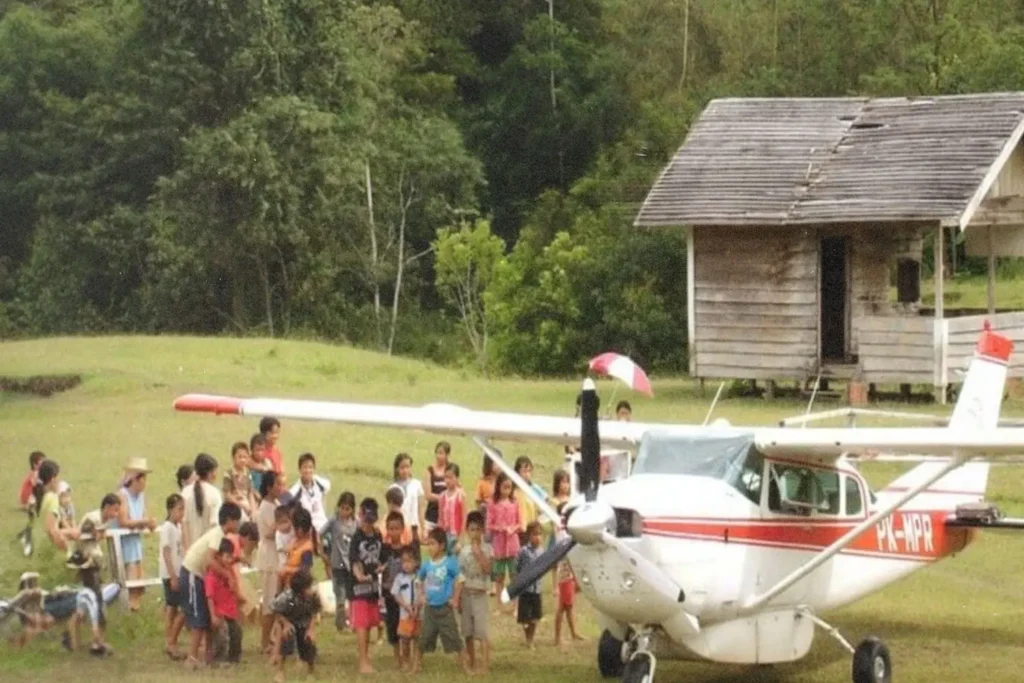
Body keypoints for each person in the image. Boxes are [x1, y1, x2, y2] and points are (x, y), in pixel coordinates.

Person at [179, 502, 243, 670]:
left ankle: (208, 655)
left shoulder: (219, 536)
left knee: (205, 618)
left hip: (198, 576)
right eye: (236, 521)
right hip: (192, 573)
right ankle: (191, 657)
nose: (237, 525)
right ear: (229, 520)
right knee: (198, 619)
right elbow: (209, 560)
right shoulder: (217, 534)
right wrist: (226, 574)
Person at [416, 528, 470, 673]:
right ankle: (416, 665)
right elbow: (418, 580)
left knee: (454, 637)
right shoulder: (426, 564)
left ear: (442, 546)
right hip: (430, 609)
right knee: (424, 637)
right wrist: (421, 595)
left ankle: (465, 667)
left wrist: (455, 598)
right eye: (428, 544)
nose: (429, 547)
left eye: (432, 544)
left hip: (445, 608)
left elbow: (461, 580)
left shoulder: (449, 563)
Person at [116, 457, 157, 611]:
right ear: (137, 479)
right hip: (125, 547)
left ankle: (134, 614)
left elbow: (143, 517)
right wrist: (144, 522)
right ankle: (128, 614)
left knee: (139, 585)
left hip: (136, 545)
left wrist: (148, 523)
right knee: (130, 585)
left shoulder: (141, 497)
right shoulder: (122, 495)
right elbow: (123, 521)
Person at [349, 497, 384, 674]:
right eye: (365, 515)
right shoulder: (356, 537)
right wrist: (360, 576)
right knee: (362, 624)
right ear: (360, 515)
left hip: (373, 587)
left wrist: (381, 568)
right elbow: (354, 561)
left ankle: (366, 658)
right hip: (358, 588)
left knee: (370, 623)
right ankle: (362, 662)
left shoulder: (378, 535)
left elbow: (381, 557)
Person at [269, 570, 321, 683]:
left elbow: (314, 612)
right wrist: (285, 624)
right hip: (289, 622)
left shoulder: (313, 597)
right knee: (286, 640)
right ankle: (280, 671)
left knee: (308, 644)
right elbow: (276, 610)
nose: (311, 589)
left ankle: (310, 672)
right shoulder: (286, 597)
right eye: (308, 587)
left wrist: (311, 629)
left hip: (304, 623)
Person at [458, 511, 493, 673]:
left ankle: (484, 665)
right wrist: (457, 597)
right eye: (472, 529)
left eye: (478, 529)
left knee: (482, 631)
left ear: (483, 530)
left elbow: (488, 569)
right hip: (466, 594)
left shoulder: (488, 549)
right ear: (467, 531)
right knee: (468, 632)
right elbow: (460, 575)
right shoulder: (463, 551)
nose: (475, 533)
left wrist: (479, 555)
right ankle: (472, 662)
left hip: (480, 595)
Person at [257, 472, 286, 652]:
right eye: (278, 485)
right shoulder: (266, 507)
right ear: (269, 487)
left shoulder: (276, 504)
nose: (281, 488)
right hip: (269, 558)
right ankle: (264, 641)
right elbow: (269, 533)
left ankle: (273, 638)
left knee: (276, 599)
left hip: (277, 558)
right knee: (269, 602)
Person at [320, 491, 357, 632]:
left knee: (352, 595)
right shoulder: (334, 521)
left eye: (347, 509)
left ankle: (353, 621)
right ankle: (340, 624)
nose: (344, 511)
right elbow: (320, 533)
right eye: (342, 508)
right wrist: (322, 552)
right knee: (340, 595)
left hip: (351, 563)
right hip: (337, 563)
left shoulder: (355, 523)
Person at [205, 538, 243, 664]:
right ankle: (218, 660)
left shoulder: (228, 571)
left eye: (231, 557)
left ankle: (234, 659)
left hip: (230, 611)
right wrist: (212, 616)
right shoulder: (211, 576)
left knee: (237, 631)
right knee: (222, 634)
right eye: (227, 557)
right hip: (219, 612)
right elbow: (209, 597)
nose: (229, 560)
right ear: (218, 556)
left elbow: (233, 591)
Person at [552, 503, 583, 649]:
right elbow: (567, 555)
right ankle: (557, 638)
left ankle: (573, 632)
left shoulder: (564, 531)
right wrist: (575, 575)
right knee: (563, 606)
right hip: (566, 570)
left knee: (569, 605)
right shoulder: (563, 533)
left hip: (567, 570)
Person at [160, 493, 187, 660]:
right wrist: (173, 576)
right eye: (179, 509)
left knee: (172, 607)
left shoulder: (177, 527)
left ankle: (170, 641)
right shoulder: (167, 528)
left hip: (177, 571)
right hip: (171, 573)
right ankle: (171, 641)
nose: (181, 513)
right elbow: (167, 552)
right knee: (174, 607)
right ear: (171, 509)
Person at [486, 472, 520, 607]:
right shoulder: (492, 504)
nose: (507, 491)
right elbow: (489, 524)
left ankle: (515, 604)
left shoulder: (514, 503)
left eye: (509, 487)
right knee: (499, 576)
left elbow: (519, 523)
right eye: (504, 487)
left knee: (514, 575)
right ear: (498, 486)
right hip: (499, 545)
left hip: (512, 545)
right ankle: (499, 603)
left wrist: (513, 528)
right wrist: (498, 528)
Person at [34, 460, 78, 558]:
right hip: (48, 550)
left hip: (37, 545)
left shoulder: (40, 496)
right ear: (53, 479)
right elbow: (52, 530)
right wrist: (68, 552)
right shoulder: (53, 498)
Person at [381, 511, 406, 666]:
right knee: (392, 625)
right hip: (389, 594)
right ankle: (397, 656)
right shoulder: (384, 549)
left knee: (405, 625)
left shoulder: (407, 549)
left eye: (397, 528)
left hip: (404, 595)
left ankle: (406, 655)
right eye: (391, 528)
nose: (394, 532)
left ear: (403, 529)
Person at [182, 453, 222, 552]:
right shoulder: (214, 494)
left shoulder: (185, 493)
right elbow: (214, 527)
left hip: (189, 552)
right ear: (210, 473)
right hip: (206, 550)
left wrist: (187, 550)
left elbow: (183, 524)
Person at [390, 548, 420, 673]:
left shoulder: (420, 577)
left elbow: (424, 593)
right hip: (405, 614)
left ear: (416, 562)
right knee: (405, 639)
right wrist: (405, 606)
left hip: (418, 614)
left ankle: (417, 662)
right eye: (404, 561)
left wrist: (418, 606)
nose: (406, 564)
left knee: (417, 639)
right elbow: (396, 594)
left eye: (410, 561)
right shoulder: (399, 578)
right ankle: (406, 661)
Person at [516, 522, 545, 648]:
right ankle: (527, 636)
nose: (537, 537)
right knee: (525, 618)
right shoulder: (523, 551)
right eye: (534, 534)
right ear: (529, 536)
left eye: (539, 534)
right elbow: (516, 566)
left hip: (537, 589)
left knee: (535, 616)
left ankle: (530, 640)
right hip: (525, 589)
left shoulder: (542, 551)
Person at [289, 452, 330, 532]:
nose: (308, 471)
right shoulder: (295, 491)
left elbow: (327, 486)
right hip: (308, 530)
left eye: (310, 467)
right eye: (305, 467)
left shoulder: (320, 484)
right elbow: (283, 502)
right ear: (299, 469)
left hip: (324, 525)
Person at [279, 507, 317, 591]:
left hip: (298, 588)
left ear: (299, 530)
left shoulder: (307, 548)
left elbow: (304, 570)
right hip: (286, 583)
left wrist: (287, 570)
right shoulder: (295, 540)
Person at [391, 453, 425, 541]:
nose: (405, 470)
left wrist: (422, 527)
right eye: (402, 468)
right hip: (399, 528)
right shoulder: (393, 488)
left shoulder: (417, 485)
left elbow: (420, 508)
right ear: (397, 469)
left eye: (408, 467)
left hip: (414, 527)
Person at [514, 456, 547, 546]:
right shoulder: (514, 491)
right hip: (520, 530)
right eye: (524, 471)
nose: (527, 474)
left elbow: (545, 501)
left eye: (529, 471)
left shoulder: (534, 488)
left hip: (532, 528)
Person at [223, 442, 256, 520]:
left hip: (246, 506)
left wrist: (253, 510)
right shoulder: (229, 474)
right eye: (240, 457)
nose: (242, 460)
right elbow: (227, 495)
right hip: (233, 507)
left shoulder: (248, 474)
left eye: (245, 457)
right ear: (233, 458)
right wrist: (241, 506)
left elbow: (250, 494)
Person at [439, 463, 466, 553]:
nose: (447, 480)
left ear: (457, 478)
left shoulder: (461, 495)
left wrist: (461, 540)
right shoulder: (442, 496)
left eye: (450, 477)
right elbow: (440, 519)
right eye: (446, 477)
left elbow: (464, 518)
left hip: (456, 535)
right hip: (445, 535)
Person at [423, 442, 450, 532]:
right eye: (437, 453)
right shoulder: (429, 470)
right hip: (431, 516)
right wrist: (443, 498)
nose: (439, 456)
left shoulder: (450, 470)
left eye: (441, 453)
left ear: (447, 455)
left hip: (447, 517)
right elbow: (428, 495)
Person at [275, 504, 295, 570]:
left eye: (285, 522)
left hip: (296, 558)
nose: (284, 525)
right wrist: (288, 550)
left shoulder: (293, 529)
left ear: (291, 520)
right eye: (280, 523)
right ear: (276, 523)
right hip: (284, 562)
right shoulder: (278, 534)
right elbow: (280, 548)